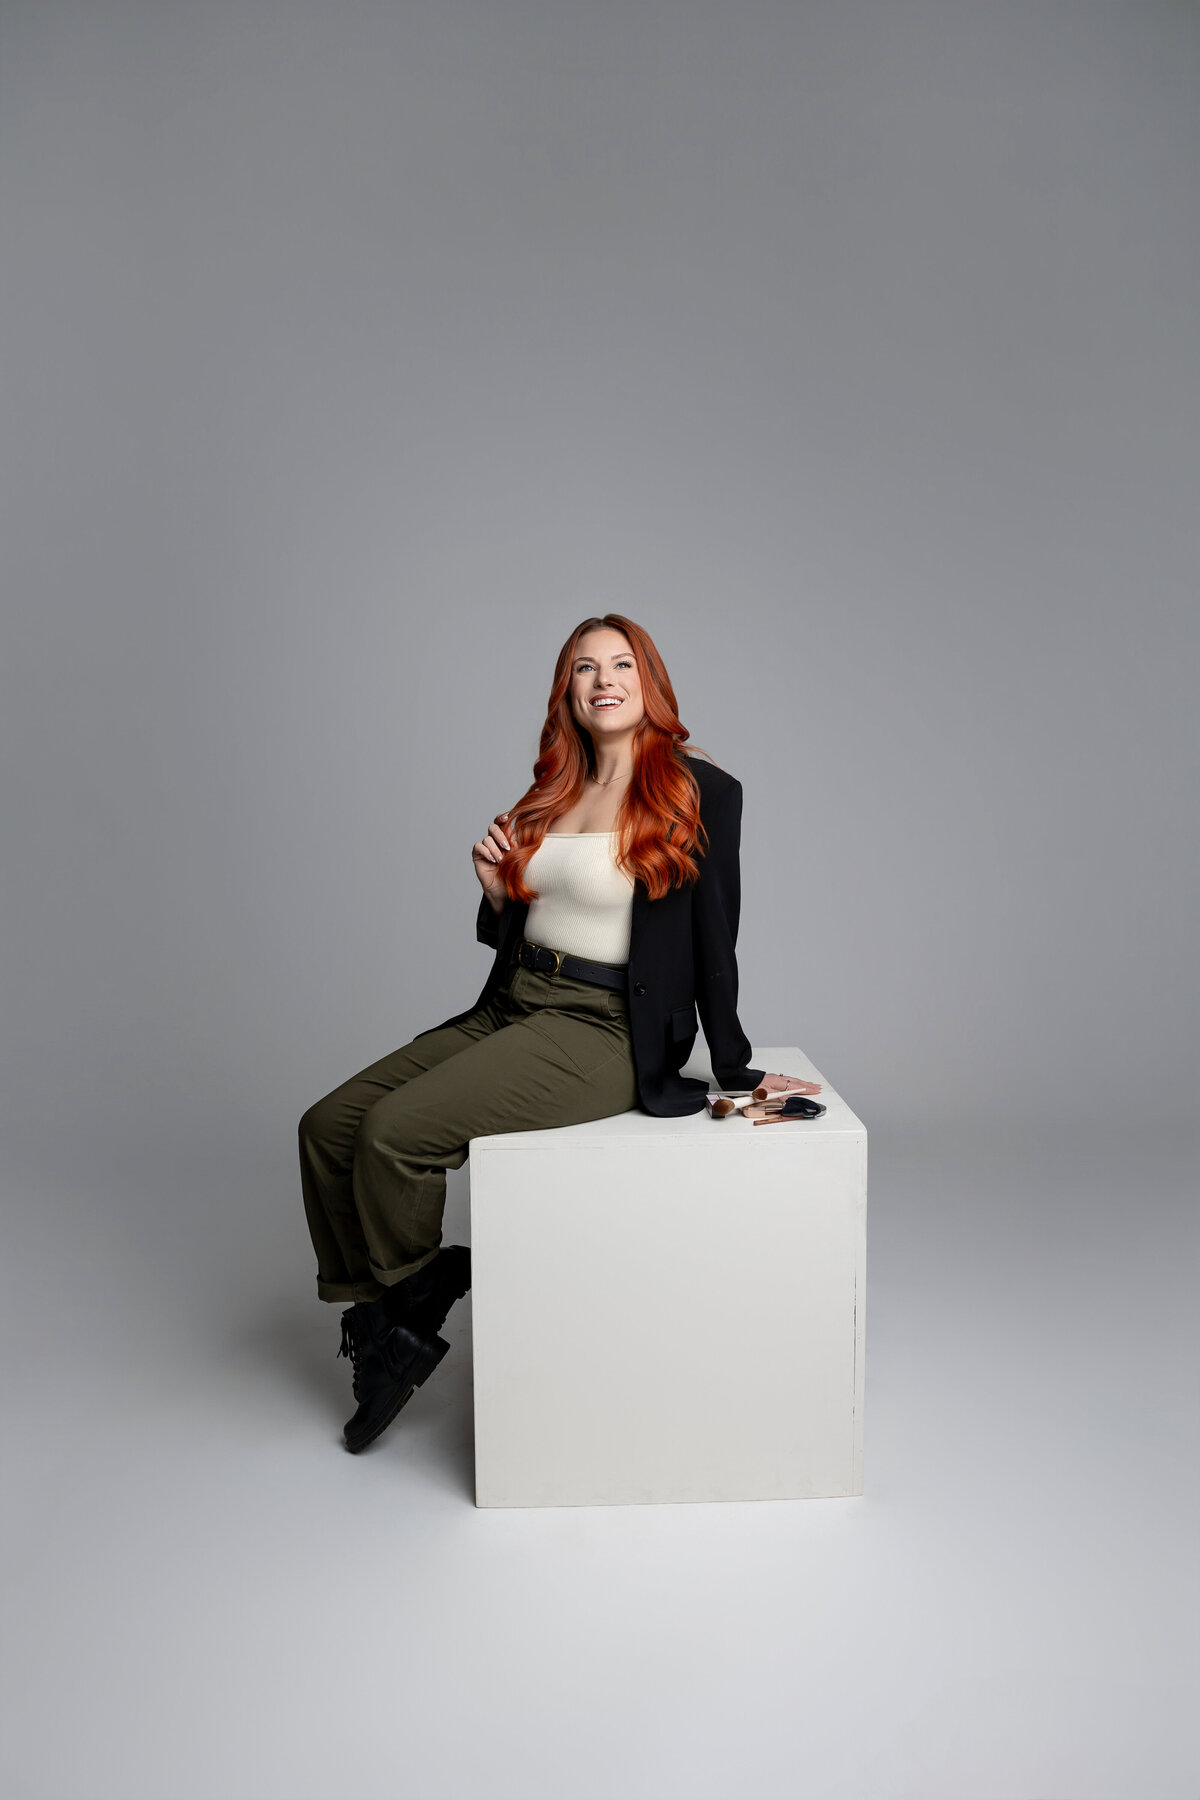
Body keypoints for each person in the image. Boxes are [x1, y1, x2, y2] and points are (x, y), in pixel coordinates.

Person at [298, 613, 820, 1453]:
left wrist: (731, 1062)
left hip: (606, 1029)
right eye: (585, 668)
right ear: (567, 692)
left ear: (648, 681)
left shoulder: (700, 790)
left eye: (621, 664)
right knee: (326, 1129)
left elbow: (715, 939)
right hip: (515, 1001)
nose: (604, 680)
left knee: (396, 1137)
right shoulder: (551, 788)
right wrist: (499, 893)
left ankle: (406, 1312)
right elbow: (531, 920)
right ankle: (391, 1322)